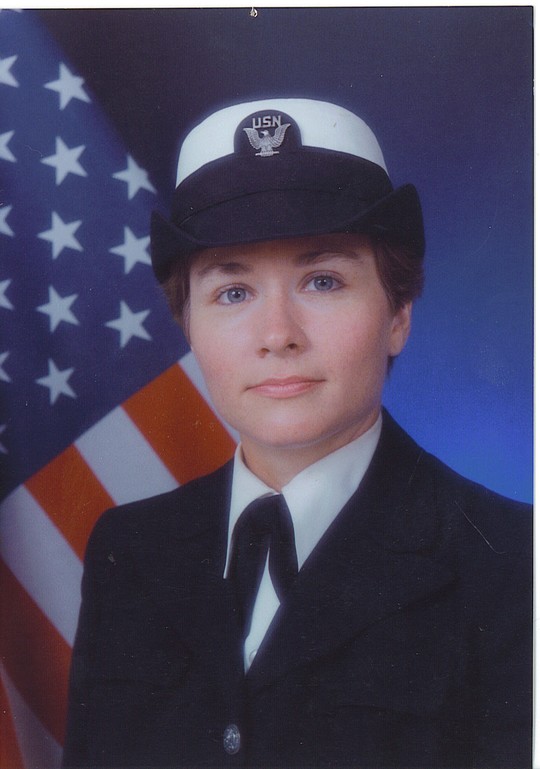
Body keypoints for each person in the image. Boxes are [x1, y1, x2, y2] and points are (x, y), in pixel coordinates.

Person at [62, 98, 532, 768]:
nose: (277, 334)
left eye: (323, 280)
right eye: (233, 293)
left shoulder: (513, 564)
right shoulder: (130, 552)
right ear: (188, 325)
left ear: (398, 313)